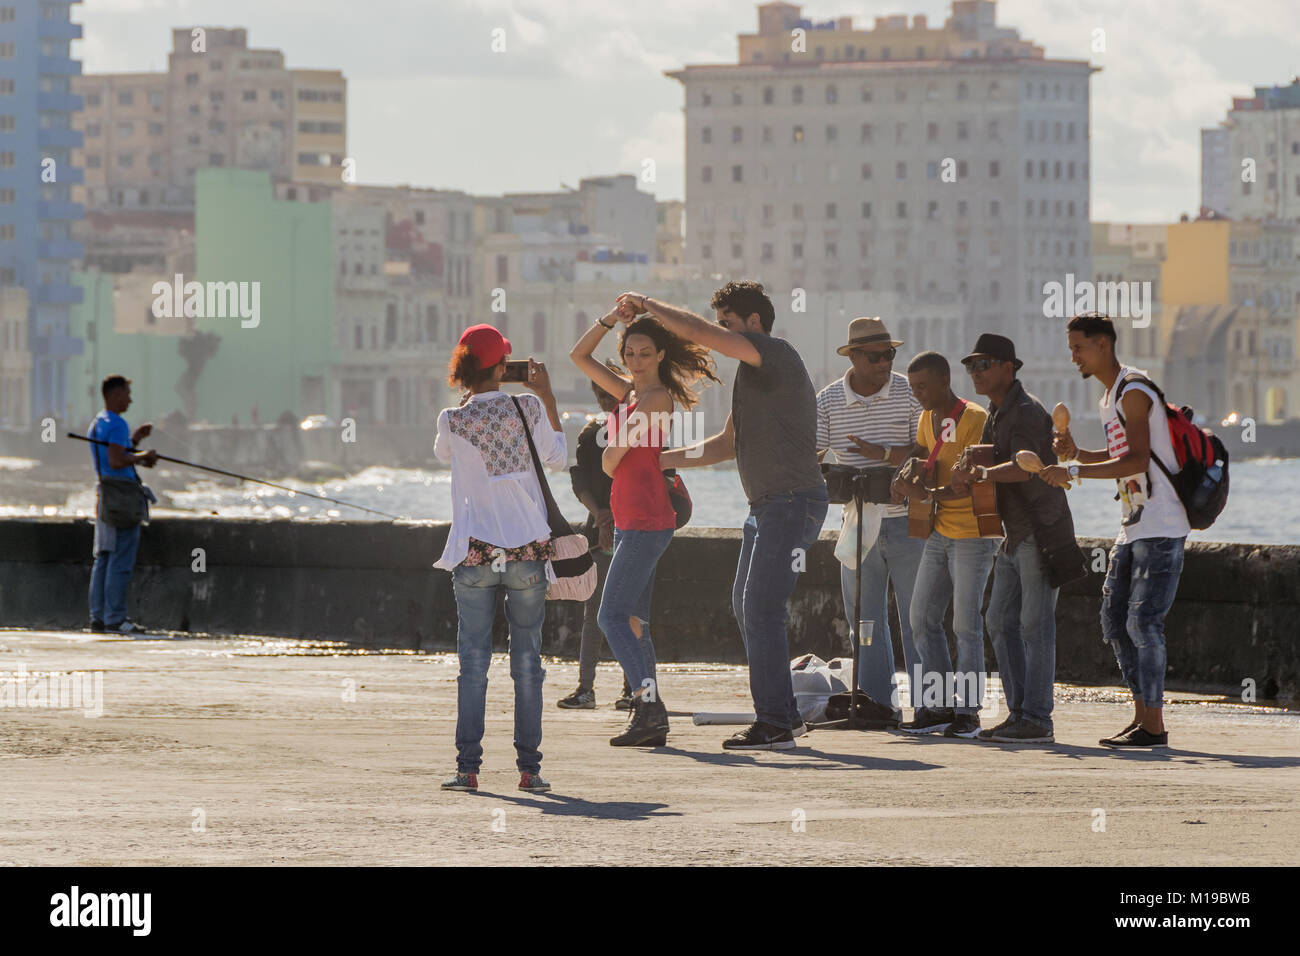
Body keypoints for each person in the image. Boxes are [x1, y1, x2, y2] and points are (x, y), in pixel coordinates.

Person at [621, 282, 828, 751]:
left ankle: (774, 722)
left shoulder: (775, 354)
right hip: (766, 508)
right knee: (746, 604)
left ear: (753, 323)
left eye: (727, 324)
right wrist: (660, 460)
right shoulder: (752, 378)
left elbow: (697, 332)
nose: (717, 333)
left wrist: (649, 303)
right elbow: (721, 445)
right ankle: (785, 718)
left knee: (761, 607)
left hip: (792, 503)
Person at [570, 306, 720, 747]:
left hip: (648, 520)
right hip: (628, 520)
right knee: (634, 621)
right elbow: (579, 357)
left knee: (610, 616)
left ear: (659, 356)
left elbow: (612, 458)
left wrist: (609, 456)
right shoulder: (629, 395)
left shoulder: (656, 398)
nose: (635, 360)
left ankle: (648, 706)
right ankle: (650, 716)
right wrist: (609, 318)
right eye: (629, 353)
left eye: (644, 353)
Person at [1042, 313, 1190, 749]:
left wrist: (1074, 469)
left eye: (1078, 347)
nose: (1073, 357)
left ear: (1103, 344)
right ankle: (1142, 715)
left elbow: (1138, 460)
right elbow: (1120, 453)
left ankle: (1154, 725)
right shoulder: (1111, 395)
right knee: (1114, 620)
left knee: (1144, 622)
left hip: (1161, 522)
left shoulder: (1134, 390)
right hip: (1133, 522)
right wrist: (1079, 453)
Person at [434, 324, 565, 793]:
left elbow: (443, 454)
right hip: (527, 552)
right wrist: (546, 394)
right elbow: (557, 456)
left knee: (473, 662)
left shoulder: (451, 419)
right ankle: (529, 771)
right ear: (500, 368)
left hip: (474, 554)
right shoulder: (527, 406)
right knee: (527, 662)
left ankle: (468, 769)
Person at [955, 334, 1083, 744]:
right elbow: (1005, 454)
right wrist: (978, 456)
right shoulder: (999, 410)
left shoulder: (1025, 412)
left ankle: (1037, 718)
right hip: (1015, 533)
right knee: (998, 620)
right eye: (971, 366)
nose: (976, 372)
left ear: (1009, 367)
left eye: (984, 364)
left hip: (1038, 532)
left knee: (1035, 624)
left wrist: (986, 473)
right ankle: (1020, 712)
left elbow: (1027, 466)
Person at [814, 317, 924, 726]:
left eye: (889, 355)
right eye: (876, 356)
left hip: (907, 521)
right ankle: (878, 704)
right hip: (857, 521)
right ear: (854, 357)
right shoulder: (827, 401)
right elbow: (814, 456)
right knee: (865, 622)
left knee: (919, 620)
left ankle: (929, 707)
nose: (885, 363)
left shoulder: (909, 393)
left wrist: (883, 454)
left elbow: (927, 450)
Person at [891, 351, 998, 738]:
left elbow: (972, 487)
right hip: (939, 531)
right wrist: (907, 475)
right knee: (922, 618)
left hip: (973, 535)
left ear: (944, 381)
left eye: (922, 387)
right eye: (912, 387)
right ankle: (936, 707)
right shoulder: (926, 419)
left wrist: (923, 491)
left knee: (965, 625)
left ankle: (967, 713)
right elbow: (925, 459)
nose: (917, 394)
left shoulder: (975, 420)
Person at [556, 365, 633, 711]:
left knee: (616, 612)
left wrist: (603, 514)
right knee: (605, 611)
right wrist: (604, 515)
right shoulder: (594, 434)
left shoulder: (608, 431)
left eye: (607, 390)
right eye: (599, 391)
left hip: (622, 529)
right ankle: (610, 688)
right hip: (612, 530)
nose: (603, 396)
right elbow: (582, 482)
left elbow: (582, 483)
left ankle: (625, 686)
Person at [88, 375, 159, 636]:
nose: (130, 399)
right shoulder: (117, 423)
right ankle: (116, 619)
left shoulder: (99, 422)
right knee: (120, 557)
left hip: (105, 493)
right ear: (115, 394)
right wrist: (143, 457)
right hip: (122, 497)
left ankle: (98, 617)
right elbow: (118, 461)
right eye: (127, 394)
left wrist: (135, 442)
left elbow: (112, 456)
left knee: (104, 557)